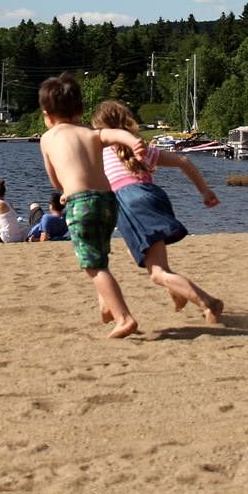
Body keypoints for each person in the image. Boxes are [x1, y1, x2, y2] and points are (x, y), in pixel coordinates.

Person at [91, 100, 224, 323]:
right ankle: (178, 292)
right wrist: (204, 191)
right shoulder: (144, 150)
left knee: (157, 273)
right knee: (158, 264)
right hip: (153, 196)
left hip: (130, 203)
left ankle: (208, 302)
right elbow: (183, 161)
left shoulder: (100, 154)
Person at [37, 73, 147, 338]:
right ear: (81, 110)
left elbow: (54, 177)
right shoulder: (91, 133)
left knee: (92, 264)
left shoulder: (48, 138)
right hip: (108, 202)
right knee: (100, 254)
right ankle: (106, 306)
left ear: (46, 115)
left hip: (81, 203)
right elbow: (114, 133)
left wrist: (64, 191)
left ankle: (124, 317)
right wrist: (134, 142)